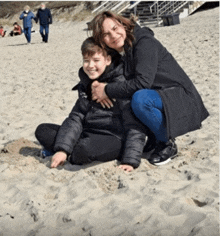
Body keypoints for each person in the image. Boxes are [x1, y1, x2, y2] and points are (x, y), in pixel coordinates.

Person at [90, 11, 209, 166]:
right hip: (161, 94)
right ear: (102, 40)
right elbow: (95, 61)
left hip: (181, 97)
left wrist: (106, 90)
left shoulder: (144, 42)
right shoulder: (124, 48)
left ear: (123, 24)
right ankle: (154, 136)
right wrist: (93, 84)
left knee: (140, 100)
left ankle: (167, 143)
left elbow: (142, 83)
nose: (113, 35)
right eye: (106, 34)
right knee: (130, 95)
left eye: (115, 27)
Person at [35, 37, 148, 172]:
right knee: (43, 130)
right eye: (86, 61)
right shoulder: (87, 83)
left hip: (113, 137)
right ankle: (66, 151)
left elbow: (134, 125)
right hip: (87, 132)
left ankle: (71, 152)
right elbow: (76, 117)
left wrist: (130, 161)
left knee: (82, 151)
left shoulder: (121, 85)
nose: (90, 65)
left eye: (96, 60)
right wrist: (62, 150)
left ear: (108, 60)